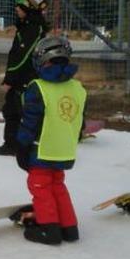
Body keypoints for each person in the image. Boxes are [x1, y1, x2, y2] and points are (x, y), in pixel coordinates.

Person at [15, 36, 85, 245]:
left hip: (42, 149)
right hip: (65, 149)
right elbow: (80, 121)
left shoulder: (39, 87)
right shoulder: (78, 88)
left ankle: (49, 230)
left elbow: (30, 122)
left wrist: (21, 146)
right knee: (58, 187)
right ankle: (69, 228)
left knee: (40, 186)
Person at [0, 0, 50, 156]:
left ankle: (30, 145)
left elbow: (23, 57)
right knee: (11, 110)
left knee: (23, 111)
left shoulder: (34, 28)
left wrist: (10, 79)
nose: (16, 9)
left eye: (19, 6)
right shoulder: (26, 25)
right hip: (20, 78)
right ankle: (12, 144)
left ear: (28, 8)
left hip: (26, 79)